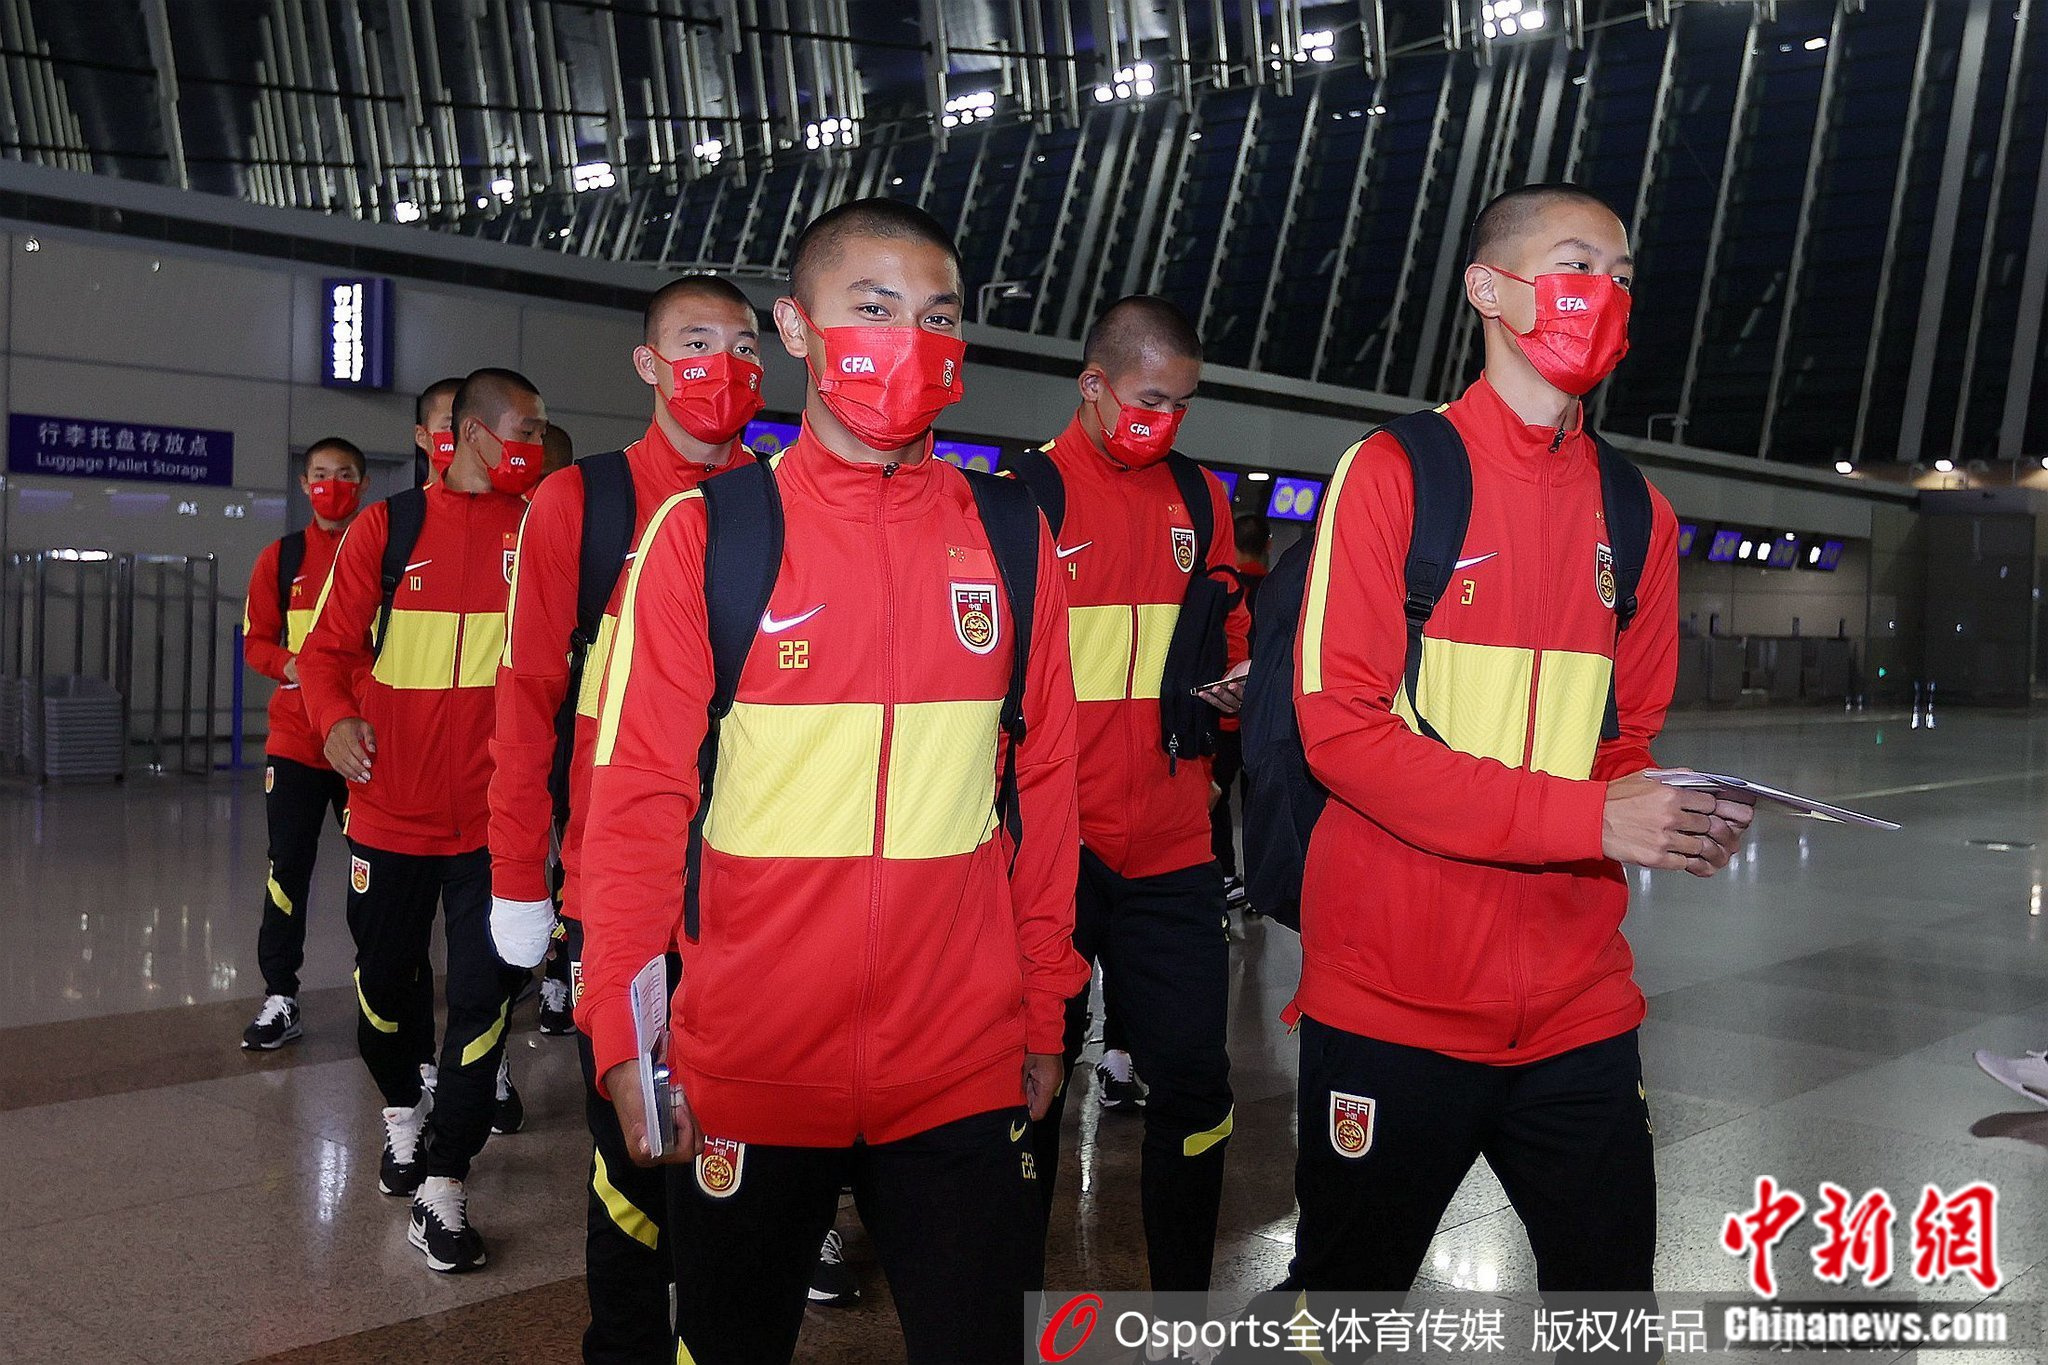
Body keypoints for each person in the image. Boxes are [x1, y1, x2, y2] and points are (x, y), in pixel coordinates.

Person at [577, 198, 1086, 1365]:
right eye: (873, 308)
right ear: (796, 328)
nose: (910, 340)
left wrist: (1044, 1003)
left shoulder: (1011, 537)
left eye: (936, 316)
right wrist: (620, 1027)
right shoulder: (709, 536)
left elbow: (1048, 792)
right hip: (746, 1065)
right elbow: (637, 804)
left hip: (959, 1063)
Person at [1284, 184, 1754, 1302]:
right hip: (1393, 1001)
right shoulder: (1394, 474)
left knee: (1610, 1303)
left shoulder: (1637, 514)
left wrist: (1668, 809)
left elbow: (1621, 737)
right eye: (1577, 264)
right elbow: (1341, 733)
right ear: (1488, 290)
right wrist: (1587, 815)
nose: (1606, 293)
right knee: (1344, 1302)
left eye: (1623, 275)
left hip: (1577, 1004)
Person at [489, 275, 763, 1361]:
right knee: (631, 1164)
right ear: (647, 364)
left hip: (756, 894)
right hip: (626, 886)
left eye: (743, 345)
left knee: (743, 1161)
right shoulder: (583, 503)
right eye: (695, 342)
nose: (722, 366)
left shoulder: (780, 505)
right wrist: (519, 876)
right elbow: (526, 701)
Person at [1019, 294, 1250, 1294]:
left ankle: (1182, 1304)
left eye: (1182, 404)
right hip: (1052, 851)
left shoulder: (1201, 499)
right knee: (1031, 1076)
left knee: (1196, 1083)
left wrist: (1236, 689)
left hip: (1170, 846)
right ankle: (1011, 1302)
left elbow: (1228, 628)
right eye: (1150, 400)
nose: (1166, 420)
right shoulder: (1024, 498)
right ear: (1094, 385)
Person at [298, 367, 549, 1273]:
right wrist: (335, 720)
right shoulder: (388, 528)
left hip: (494, 822)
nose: (535, 445)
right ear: (474, 433)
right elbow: (324, 651)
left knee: (484, 995)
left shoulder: (540, 528)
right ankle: (402, 1111)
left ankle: (445, 1179)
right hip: (388, 812)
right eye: (526, 429)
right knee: (385, 983)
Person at [238, 437, 367, 1050]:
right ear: (303, 483)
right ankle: (280, 995)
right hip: (295, 742)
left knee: (375, 872)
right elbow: (255, 641)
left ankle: (380, 989)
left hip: (362, 741)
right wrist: (294, 666)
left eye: (343, 474)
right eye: (320, 474)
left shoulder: (380, 552)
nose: (330, 485)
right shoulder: (281, 558)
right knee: (287, 866)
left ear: (362, 484)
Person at [1212, 512, 1271, 912]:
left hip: (1220, 711)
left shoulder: (1221, 587)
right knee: (1258, 804)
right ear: (1267, 545)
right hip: (1260, 717)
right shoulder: (1276, 590)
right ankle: (1260, 884)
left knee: (1215, 796)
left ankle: (1226, 876)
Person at [413, 376, 460, 488]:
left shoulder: (501, 500)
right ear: (421, 437)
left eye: (473, 429)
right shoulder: (407, 500)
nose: (465, 438)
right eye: (451, 427)